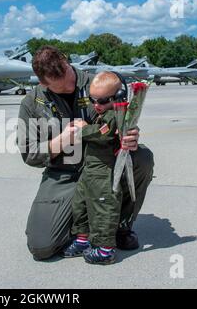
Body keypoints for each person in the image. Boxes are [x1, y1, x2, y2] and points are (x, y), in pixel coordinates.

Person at [17, 46, 154, 261]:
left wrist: (130, 135)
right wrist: (62, 140)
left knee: (142, 158)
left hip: (104, 165)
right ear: (44, 83)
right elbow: (29, 154)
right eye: (63, 87)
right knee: (41, 246)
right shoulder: (33, 103)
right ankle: (88, 223)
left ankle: (120, 227)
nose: (72, 85)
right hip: (63, 174)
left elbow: (122, 121)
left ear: (66, 60)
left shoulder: (99, 84)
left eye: (71, 77)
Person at [62, 71, 126, 265]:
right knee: (79, 204)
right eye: (92, 100)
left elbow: (102, 133)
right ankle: (82, 239)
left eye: (103, 101)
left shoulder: (115, 115)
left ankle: (106, 249)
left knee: (103, 207)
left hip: (103, 172)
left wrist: (82, 129)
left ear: (118, 97)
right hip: (89, 170)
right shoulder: (101, 114)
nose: (96, 105)